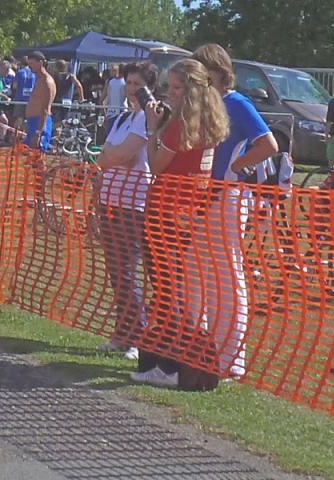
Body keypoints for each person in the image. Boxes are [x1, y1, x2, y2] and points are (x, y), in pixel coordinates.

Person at [132, 58, 229, 387]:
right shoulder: (209, 122)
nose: (170, 94)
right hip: (187, 213)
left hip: (165, 212)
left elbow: (156, 164)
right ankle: (169, 359)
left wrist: (151, 128)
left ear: (191, 90)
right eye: (169, 87)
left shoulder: (180, 126)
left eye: (177, 88)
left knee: (166, 292)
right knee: (172, 290)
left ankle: (172, 365)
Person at [193, 43, 278, 379]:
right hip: (201, 199)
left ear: (216, 70)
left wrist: (236, 166)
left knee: (228, 277)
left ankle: (232, 359)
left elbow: (268, 144)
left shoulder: (238, 103)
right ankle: (202, 349)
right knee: (200, 275)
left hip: (227, 198)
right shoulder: (204, 104)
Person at [95, 62, 159, 362]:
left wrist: (112, 157)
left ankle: (138, 335)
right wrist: (111, 158)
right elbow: (106, 157)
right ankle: (123, 332)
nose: (131, 89)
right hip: (111, 200)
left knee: (128, 272)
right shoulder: (124, 118)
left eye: (137, 84)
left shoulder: (147, 118)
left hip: (132, 203)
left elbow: (122, 155)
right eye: (129, 83)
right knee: (116, 273)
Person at [23, 51, 56, 152]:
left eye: (32, 64)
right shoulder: (39, 80)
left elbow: (45, 108)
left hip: (40, 123)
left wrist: (38, 132)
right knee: (29, 155)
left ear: (40, 63)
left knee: (37, 155)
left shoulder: (47, 82)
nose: (30, 66)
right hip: (33, 121)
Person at [52, 59, 84, 124]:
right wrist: (81, 98)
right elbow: (79, 86)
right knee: (64, 121)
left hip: (56, 101)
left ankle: (58, 129)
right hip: (67, 101)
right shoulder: (71, 76)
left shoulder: (53, 76)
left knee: (56, 121)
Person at [10, 56, 36, 137]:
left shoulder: (20, 72)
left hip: (20, 98)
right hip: (30, 100)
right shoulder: (34, 73)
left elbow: (14, 86)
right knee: (27, 120)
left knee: (19, 118)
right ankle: (23, 136)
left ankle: (14, 136)